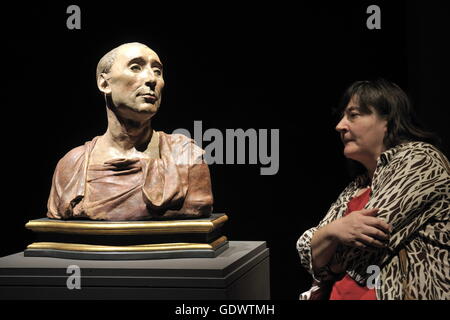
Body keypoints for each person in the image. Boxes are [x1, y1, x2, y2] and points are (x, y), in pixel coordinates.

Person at [297, 79, 449, 300]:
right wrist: (335, 230)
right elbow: (306, 253)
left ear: (387, 120)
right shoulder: (355, 187)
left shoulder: (420, 159)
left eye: (354, 115)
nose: (340, 125)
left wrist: (324, 248)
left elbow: (366, 243)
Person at [47, 42, 213, 221]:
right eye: (135, 67)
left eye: (158, 71)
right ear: (104, 83)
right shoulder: (72, 165)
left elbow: (199, 205)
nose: (152, 79)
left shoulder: (185, 155)